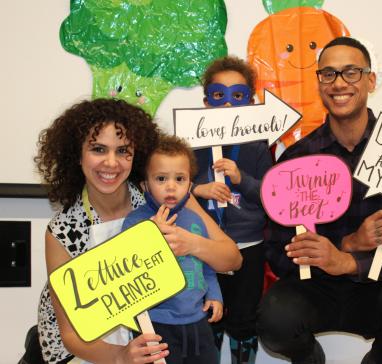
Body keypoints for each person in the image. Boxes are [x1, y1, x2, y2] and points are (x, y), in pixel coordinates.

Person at [256, 37, 382, 364]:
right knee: (274, 318)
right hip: (316, 287)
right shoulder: (296, 160)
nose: (339, 83)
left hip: (378, 286)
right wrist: (346, 244)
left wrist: (351, 262)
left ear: (370, 80)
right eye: (328, 74)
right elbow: (276, 249)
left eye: (351, 72)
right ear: (319, 83)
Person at [35, 98, 242, 364]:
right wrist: (120, 356)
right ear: (77, 154)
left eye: (123, 151)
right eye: (98, 149)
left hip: (159, 335)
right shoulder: (62, 231)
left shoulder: (164, 194)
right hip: (90, 351)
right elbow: (71, 336)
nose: (111, 162)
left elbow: (233, 258)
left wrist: (190, 243)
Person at [192, 56, 273, 364]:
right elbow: (171, 188)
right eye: (218, 96)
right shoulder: (191, 145)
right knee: (206, 318)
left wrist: (243, 179)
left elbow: (271, 196)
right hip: (204, 248)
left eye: (237, 96)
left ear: (249, 102)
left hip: (248, 247)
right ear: (206, 103)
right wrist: (197, 190)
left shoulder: (256, 146)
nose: (227, 105)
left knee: (243, 319)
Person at [122, 134, 224, 363]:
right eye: (161, 179)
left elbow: (207, 267)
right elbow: (127, 271)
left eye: (179, 179)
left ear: (189, 184)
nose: (171, 186)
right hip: (156, 324)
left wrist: (215, 295)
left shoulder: (196, 220)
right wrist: (150, 236)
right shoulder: (135, 222)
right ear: (145, 185)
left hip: (197, 320)